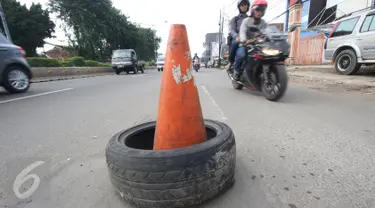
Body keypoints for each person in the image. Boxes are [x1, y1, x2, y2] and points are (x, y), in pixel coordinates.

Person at [233, 0, 268, 81]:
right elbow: (242, 31)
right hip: (246, 44)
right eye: (258, 9)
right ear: (253, 10)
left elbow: (268, 31)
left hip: (259, 44)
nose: (259, 12)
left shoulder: (263, 22)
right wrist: (244, 40)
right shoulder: (246, 20)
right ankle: (236, 71)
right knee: (241, 54)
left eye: (262, 10)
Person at [225, 0, 250, 71]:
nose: (244, 6)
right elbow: (232, 30)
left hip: (249, 40)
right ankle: (231, 62)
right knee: (241, 53)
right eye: (242, 5)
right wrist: (236, 37)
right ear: (239, 7)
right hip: (238, 39)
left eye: (245, 4)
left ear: (248, 6)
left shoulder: (251, 18)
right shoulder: (235, 19)